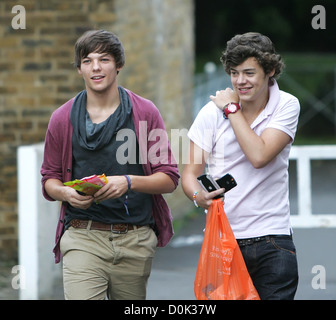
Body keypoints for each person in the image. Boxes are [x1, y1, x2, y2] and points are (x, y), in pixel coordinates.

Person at [40, 30, 179, 300]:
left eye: (104, 59)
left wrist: (127, 182)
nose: (96, 67)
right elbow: (50, 179)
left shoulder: (145, 112)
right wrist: (66, 193)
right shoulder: (61, 118)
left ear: (118, 64)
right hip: (83, 235)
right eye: (87, 60)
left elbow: (169, 177)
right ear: (79, 69)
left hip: (134, 238)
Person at [182, 32, 300, 300]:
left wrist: (232, 111)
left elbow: (259, 155)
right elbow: (189, 174)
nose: (240, 81)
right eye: (234, 73)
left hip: (273, 239)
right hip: (223, 239)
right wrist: (197, 196)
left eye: (249, 73)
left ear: (270, 70)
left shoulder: (287, 104)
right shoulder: (210, 113)